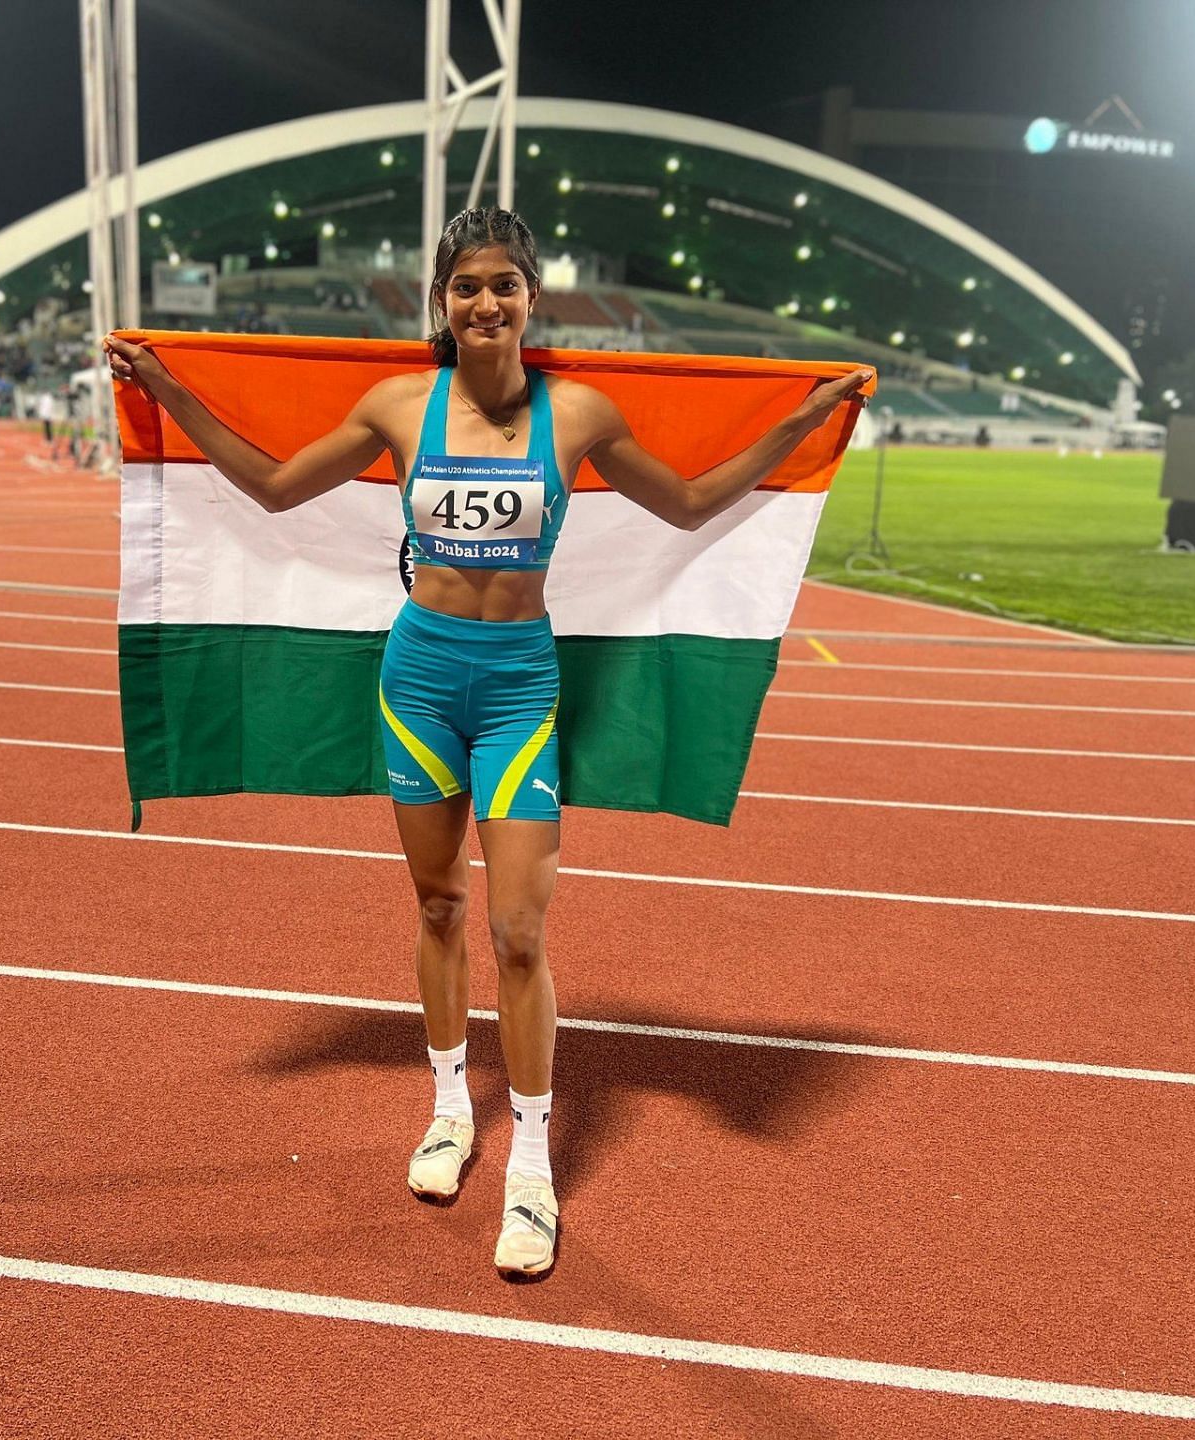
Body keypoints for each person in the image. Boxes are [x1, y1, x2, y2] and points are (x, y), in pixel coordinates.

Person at [105, 208, 870, 1278]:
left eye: (504, 283)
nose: (485, 302)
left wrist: (805, 421)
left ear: (531, 296)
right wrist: (167, 393)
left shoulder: (581, 412)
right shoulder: (397, 405)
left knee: (517, 929)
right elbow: (277, 488)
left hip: (519, 687)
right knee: (435, 906)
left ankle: (533, 1163)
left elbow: (692, 506)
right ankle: (447, 1111)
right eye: (465, 285)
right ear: (441, 300)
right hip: (417, 680)